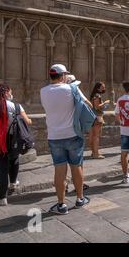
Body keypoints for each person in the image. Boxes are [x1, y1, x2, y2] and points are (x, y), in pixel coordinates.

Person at [40, 64, 89, 215]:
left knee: (59, 169)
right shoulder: (71, 89)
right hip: (73, 134)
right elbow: (87, 104)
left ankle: (61, 205)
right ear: (63, 75)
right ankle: (80, 198)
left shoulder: (43, 91)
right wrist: (73, 86)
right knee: (76, 166)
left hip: (54, 136)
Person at [88, 82, 111, 160]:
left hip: (91, 117)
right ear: (98, 88)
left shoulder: (93, 95)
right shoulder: (97, 96)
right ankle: (96, 154)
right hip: (97, 117)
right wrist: (105, 103)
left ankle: (93, 152)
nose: (104, 89)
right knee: (96, 136)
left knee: (92, 136)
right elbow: (97, 107)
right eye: (102, 87)